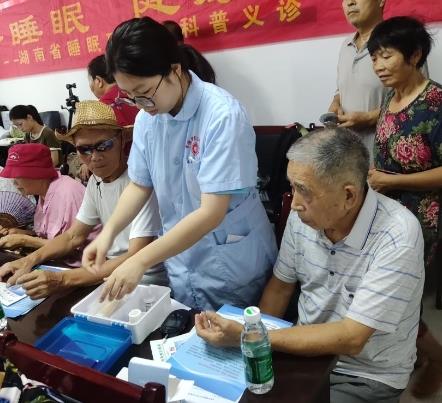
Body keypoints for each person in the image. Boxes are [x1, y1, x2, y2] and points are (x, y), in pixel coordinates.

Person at [196, 127, 425, 403]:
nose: (294, 204)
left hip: (364, 374)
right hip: (303, 352)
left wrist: (253, 337)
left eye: (304, 191)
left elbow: (352, 338)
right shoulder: (304, 218)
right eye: (292, 187)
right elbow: (280, 288)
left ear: (349, 196)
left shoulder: (397, 235)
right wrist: (253, 344)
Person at [81, 17, 277, 311]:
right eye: (131, 97)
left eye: (145, 93)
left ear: (174, 70)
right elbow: (139, 185)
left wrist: (140, 260)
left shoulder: (222, 115)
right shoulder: (147, 120)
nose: (141, 105)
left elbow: (211, 212)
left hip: (228, 261)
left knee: (238, 332)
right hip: (182, 259)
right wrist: (107, 234)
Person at [0, 101, 164, 300]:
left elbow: (134, 256)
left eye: (104, 146)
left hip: (144, 283)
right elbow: (73, 236)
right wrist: (29, 260)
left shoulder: (140, 183)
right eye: (84, 149)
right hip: (107, 275)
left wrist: (62, 279)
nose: (94, 157)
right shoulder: (96, 181)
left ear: (122, 140)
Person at [367, 16, 442, 398]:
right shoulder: (391, 96)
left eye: (386, 56)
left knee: (401, 299)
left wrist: (392, 182)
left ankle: (436, 358)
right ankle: (409, 352)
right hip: (386, 212)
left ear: (414, 55)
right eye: (374, 58)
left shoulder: (435, 102)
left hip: (421, 217)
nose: (378, 66)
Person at [328, 0, 387, 161]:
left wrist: (369, 118)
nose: (350, 3)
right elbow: (341, 89)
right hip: (348, 155)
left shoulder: (400, 41)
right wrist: (335, 103)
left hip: (386, 157)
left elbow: (418, 101)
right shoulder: (345, 45)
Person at [0, 143, 85, 253]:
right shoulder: (43, 193)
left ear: (36, 173)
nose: (14, 183)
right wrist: (24, 234)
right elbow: (49, 237)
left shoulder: (69, 193)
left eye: (18, 176)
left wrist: (25, 240)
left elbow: (72, 247)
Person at [88, 55, 139, 127]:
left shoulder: (102, 106)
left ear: (99, 81)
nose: (90, 86)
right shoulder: (134, 93)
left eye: (90, 81)